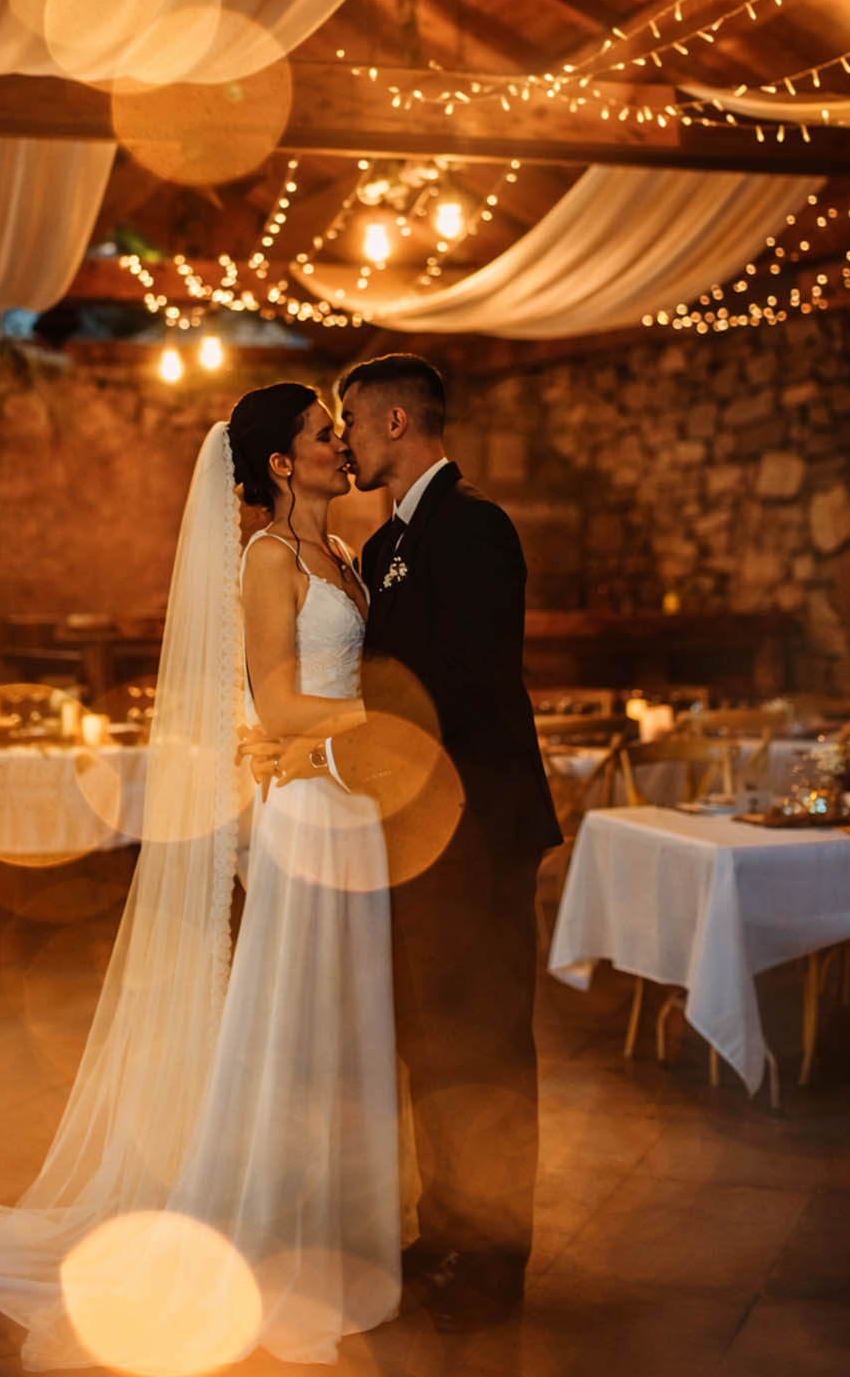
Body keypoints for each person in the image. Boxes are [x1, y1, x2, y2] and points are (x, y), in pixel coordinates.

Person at [0, 384, 402, 1371]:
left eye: (338, 430)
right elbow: (276, 706)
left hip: (353, 808)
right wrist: (388, 719)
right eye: (322, 432)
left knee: (345, 1020)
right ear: (279, 463)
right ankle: (262, 1230)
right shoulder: (267, 557)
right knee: (290, 1025)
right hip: (305, 813)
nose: (339, 443)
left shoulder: (345, 553)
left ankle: (335, 1226)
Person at [252, 353, 561, 1333]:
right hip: (416, 832)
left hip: (477, 829)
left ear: (393, 421)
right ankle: (443, 1232)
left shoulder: (472, 526)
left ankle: (493, 1258)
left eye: (349, 421)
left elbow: (461, 685)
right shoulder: (388, 539)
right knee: (432, 1038)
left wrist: (326, 737)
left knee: (486, 1047)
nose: (343, 440)